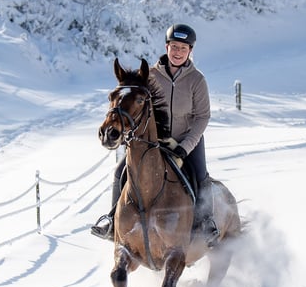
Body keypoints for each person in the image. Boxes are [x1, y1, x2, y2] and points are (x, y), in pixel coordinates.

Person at [91, 23, 220, 246]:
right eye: (174, 46)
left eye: (183, 48)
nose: (178, 52)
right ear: (166, 46)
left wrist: (184, 147)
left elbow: (202, 117)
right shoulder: (148, 75)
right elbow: (133, 105)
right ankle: (113, 221)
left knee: (200, 176)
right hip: (153, 142)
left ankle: (205, 223)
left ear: (190, 51)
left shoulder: (197, 80)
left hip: (186, 140)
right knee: (120, 172)